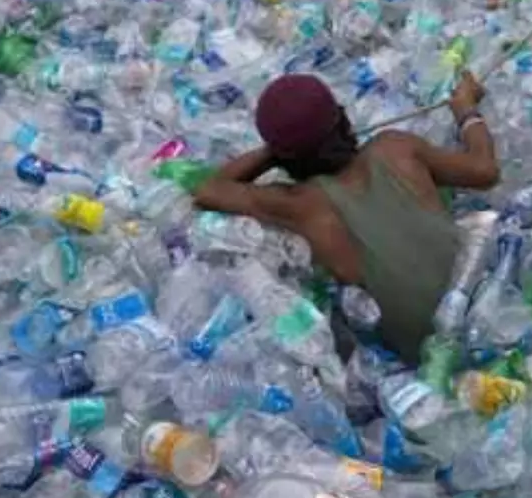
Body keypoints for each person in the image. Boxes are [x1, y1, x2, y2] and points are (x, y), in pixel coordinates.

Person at [191, 70, 500, 363]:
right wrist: (466, 111)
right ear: (344, 120)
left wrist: (275, 151)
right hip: (493, 314)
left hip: (421, 359)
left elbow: (208, 191)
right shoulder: (395, 148)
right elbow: (484, 171)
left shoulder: (297, 205)